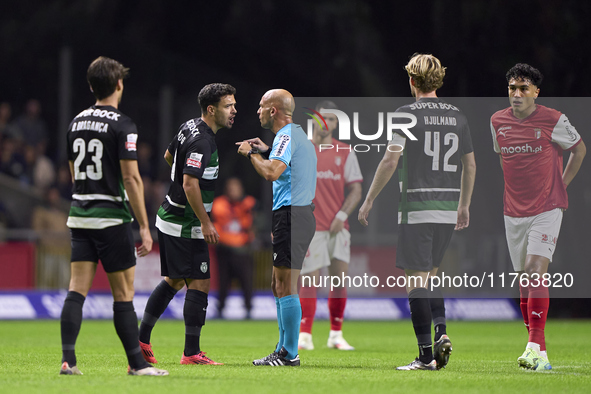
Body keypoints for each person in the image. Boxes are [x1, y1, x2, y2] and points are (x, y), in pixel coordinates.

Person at [358, 53, 476, 370]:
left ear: (412, 81)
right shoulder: (458, 116)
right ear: (438, 80)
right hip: (449, 210)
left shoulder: (406, 114)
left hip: (417, 209)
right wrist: (464, 204)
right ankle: (442, 332)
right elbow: (470, 164)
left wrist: (368, 199)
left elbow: (390, 160)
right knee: (432, 277)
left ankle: (425, 357)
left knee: (415, 282)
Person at [61, 56, 167, 376]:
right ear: (119, 84)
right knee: (123, 294)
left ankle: (69, 360)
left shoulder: (75, 122)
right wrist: (145, 226)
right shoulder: (122, 124)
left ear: (92, 86)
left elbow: (72, 172)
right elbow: (132, 179)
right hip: (111, 218)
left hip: (80, 215)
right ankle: (137, 365)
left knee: (76, 289)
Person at [490, 64, 586, 371]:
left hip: (547, 206)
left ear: (535, 92)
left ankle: (532, 345)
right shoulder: (497, 122)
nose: (517, 94)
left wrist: (562, 184)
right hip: (512, 211)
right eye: (512, 89)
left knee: (534, 270)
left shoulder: (553, 119)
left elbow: (579, 149)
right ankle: (541, 355)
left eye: (523, 89)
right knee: (524, 278)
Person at [138, 83, 237, 366]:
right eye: (228, 105)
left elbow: (170, 157)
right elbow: (189, 182)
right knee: (196, 280)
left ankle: (146, 339)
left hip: (175, 216)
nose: (234, 110)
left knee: (180, 280)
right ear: (211, 109)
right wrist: (206, 222)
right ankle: (189, 353)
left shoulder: (189, 126)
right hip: (184, 222)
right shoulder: (203, 141)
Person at [237, 89, 316, 366]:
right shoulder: (295, 134)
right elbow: (293, 167)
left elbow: (272, 173)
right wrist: (267, 151)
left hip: (292, 215)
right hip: (293, 214)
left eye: (261, 106)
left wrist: (250, 154)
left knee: (286, 284)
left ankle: (289, 354)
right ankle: (282, 348)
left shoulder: (286, 136)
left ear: (273, 111)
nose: (257, 111)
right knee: (277, 283)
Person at [298, 100, 362, 351]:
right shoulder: (301, 149)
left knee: (338, 281)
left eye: (332, 119)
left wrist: (342, 215)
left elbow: (356, 190)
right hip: (311, 226)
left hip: (337, 226)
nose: (327, 122)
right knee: (309, 280)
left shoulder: (345, 151)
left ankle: (336, 334)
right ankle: (305, 335)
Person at [211, 177, 256, 319]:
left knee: (246, 281)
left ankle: (248, 309)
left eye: (236, 188)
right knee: (223, 281)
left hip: (242, 250)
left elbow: (250, 225)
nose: (234, 191)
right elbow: (218, 223)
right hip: (224, 249)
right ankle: (220, 309)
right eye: (231, 188)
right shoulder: (219, 204)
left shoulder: (248, 204)